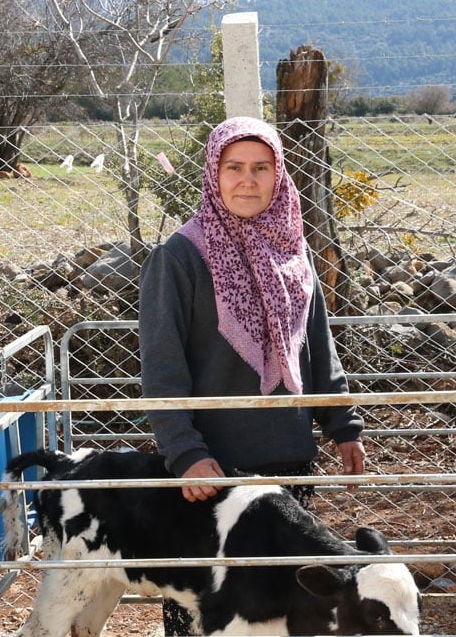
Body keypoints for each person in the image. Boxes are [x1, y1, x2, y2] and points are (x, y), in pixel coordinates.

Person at [138, 116, 365, 635]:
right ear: (212, 175)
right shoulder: (179, 258)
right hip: (211, 473)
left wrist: (341, 425)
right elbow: (162, 366)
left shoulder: (294, 251)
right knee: (206, 610)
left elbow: (318, 349)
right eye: (233, 167)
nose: (247, 180)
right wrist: (186, 454)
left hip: (289, 460)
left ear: (279, 175)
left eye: (261, 167)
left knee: (285, 605)